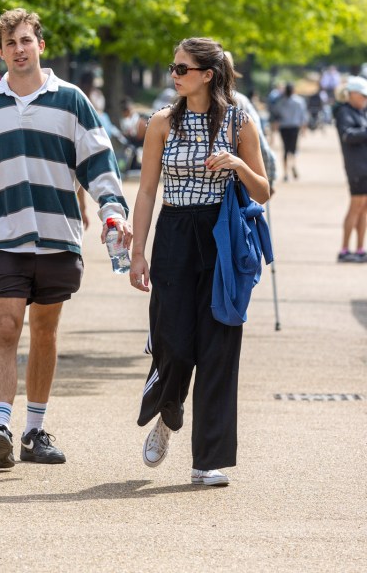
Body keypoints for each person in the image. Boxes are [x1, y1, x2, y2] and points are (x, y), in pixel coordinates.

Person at [0, 8, 131, 469]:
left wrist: (112, 209)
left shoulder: (71, 101)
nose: (19, 49)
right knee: (6, 327)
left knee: (45, 332)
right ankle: (1, 427)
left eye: (26, 41)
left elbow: (98, 161)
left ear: (40, 46)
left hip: (57, 235)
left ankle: (34, 430)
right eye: (10, 44)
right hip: (5, 237)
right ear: (0, 52)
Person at [130, 38, 269, 487]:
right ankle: (168, 416)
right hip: (173, 234)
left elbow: (264, 191)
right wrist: (137, 252)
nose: (175, 73)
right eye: (173, 66)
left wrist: (238, 165)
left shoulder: (239, 122)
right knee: (174, 341)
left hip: (222, 237)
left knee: (218, 348)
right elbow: (148, 190)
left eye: (183, 68)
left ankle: (207, 460)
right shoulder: (161, 123)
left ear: (207, 74)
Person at [225, 52, 278, 188]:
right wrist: (270, 178)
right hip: (235, 186)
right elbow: (260, 143)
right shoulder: (240, 101)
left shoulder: (183, 104)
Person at [334, 76, 367, 263]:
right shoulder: (344, 112)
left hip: (365, 167)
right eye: (362, 95)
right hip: (357, 168)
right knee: (355, 207)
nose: (365, 99)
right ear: (352, 94)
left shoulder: (361, 112)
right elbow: (348, 135)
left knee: (364, 210)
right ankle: (345, 249)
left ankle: (360, 248)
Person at [274, 82, 307, 181]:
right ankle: (293, 164)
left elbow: (277, 114)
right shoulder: (299, 101)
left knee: (285, 149)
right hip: (294, 127)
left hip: (284, 127)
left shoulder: (280, 101)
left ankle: (285, 173)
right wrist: (304, 128)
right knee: (293, 148)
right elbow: (303, 115)